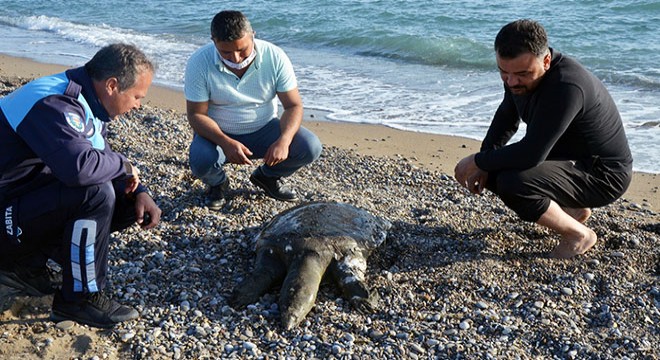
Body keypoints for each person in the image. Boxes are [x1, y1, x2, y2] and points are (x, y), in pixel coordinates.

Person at [0, 44, 162, 328]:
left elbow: (101, 156)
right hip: (6, 215)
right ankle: (79, 299)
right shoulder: (53, 102)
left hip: (20, 202)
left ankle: (25, 265)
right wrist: (125, 165)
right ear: (112, 85)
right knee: (95, 193)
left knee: (123, 201)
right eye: (137, 96)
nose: (139, 105)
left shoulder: (87, 102)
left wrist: (139, 191)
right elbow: (80, 169)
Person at [454, 19, 632, 259]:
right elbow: (507, 116)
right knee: (493, 171)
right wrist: (484, 159)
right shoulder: (516, 77)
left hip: (603, 174)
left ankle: (578, 235)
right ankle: (572, 209)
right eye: (503, 72)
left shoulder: (567, 86)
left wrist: (479, 160)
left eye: (521, 74)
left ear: (546, 61)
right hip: (567, 160)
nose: (511, 81)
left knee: (512, 182)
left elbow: (532, 153)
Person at [185, 10, 322, 209]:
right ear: (213, 42)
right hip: (219, 133)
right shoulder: (199, 62)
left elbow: (293, 105)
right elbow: (196, 115)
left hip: (265, 128)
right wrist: (225, 141)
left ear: (253, 35)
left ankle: (266, 177)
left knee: (310, 147)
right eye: (226, 52)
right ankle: (218, 184)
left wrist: (284, 140)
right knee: (200, 161)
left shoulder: (275, 56)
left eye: (243, 50)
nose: (236, 58)